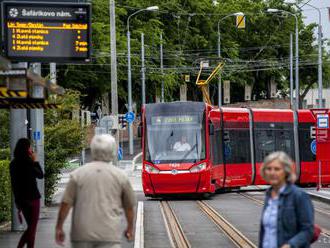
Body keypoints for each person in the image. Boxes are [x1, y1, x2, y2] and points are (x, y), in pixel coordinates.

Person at [55, 134, 136, 248]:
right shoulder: (120, 176)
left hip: (81, 235)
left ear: (92, 150)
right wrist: (130, 228)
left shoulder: (78, 174)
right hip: (109, 234)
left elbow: (66, 203)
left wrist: (59, 227)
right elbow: (129, 206)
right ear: (113, 151)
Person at [259, 152, 314, 248]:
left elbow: (308, 230)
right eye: (269, 169)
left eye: (277, 169)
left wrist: (290, 245)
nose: (272, 173)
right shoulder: (268, 195)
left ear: (286, 171)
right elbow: (265, 232)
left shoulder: (299, 195)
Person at [10, 138, 44, 248]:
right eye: (29, 147)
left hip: (22, 201)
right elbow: (40, 175)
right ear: (26, 149)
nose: (31, 149)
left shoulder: (13, 164)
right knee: (32, 228)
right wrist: (36, 161)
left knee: (31, 228)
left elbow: (14, 185)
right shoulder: (29, 162)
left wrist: (18, 202)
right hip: (33, 199)